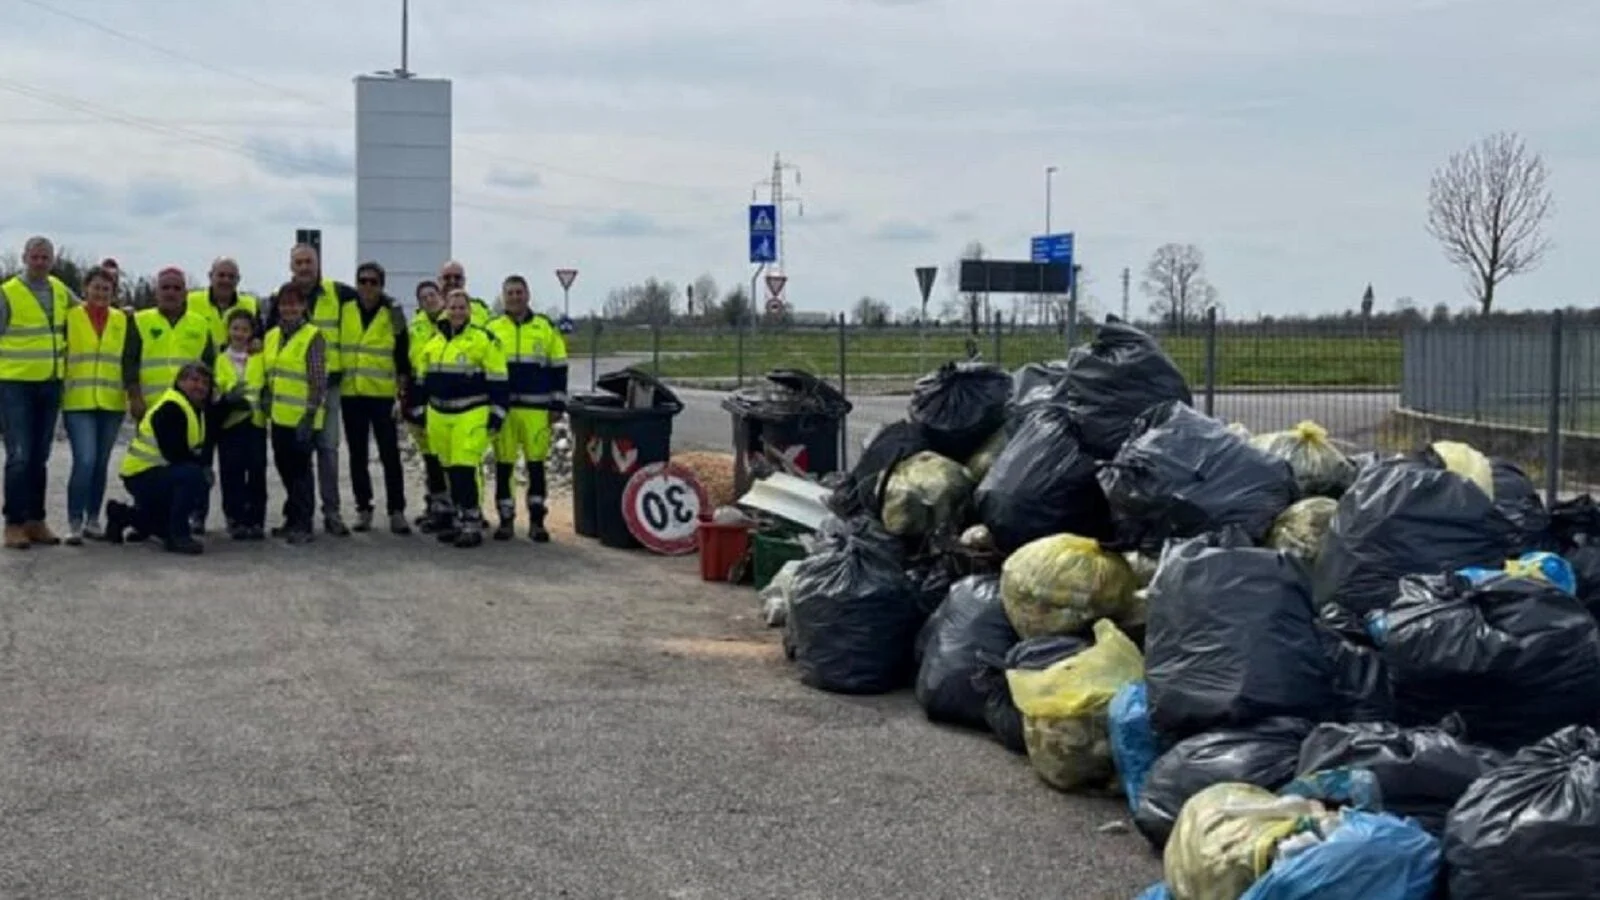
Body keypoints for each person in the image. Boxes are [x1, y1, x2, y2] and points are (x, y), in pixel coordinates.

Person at [265, 245, 357, 536]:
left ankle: (331, 513)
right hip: (287, 406)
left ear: (318, 264)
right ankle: (296, 516)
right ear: (291, 266)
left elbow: (371, 300)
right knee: (294, 461)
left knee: (327, 453)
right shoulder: (280, 301)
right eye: (298, 262)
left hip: (323, 390)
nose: (304, 267)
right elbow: (266, 336)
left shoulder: (339, 293)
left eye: (308, 262)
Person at [410, 288, 507, 547]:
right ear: (445, 310)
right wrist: (418, 409)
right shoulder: (434, 342)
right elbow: (421, 381)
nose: (456, 312)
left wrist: (497, 414)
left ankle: (472, 523)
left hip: (470, 413)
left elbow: (498, 379)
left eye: (461, 307)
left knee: (465, 469)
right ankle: (458, 520)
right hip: (439, 414)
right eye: (452, 307)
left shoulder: (483, 340)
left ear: (470, 311)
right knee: (450, 470)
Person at [104, 363, 234, 555]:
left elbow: (213, 423)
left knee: (160, 526)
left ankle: (121, 515)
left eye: (205, 383)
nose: (200, 386)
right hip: (143, 474)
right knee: (193, 476)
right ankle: (179, 536)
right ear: (180, 381)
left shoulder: (193, 406)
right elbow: (175, 454)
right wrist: (203, 469)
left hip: (151, 472)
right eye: (194, 380)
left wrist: (228, 402)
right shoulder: (171, 407)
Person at [123, 266, 216, 532]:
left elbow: (209, 365)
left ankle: (187, 519)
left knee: (188, 463)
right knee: (152, 465)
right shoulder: (140, 321)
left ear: (185, 293)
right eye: (165, 287)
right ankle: (147, 520)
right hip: (151, 408)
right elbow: (129, 360)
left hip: (188, 410)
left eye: (177, 288)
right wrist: (134, 395)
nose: (171, 293)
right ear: (156, 291)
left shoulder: (200, 324)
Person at [0, 235, 73, 548]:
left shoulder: (60, 290)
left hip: (50, 382)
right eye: (36, 257)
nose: (41, 262)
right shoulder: (7, 294)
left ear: (52, 261)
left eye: (46, 257)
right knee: (19, 455)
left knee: (40, 456)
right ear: (25, 258)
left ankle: (35, 519)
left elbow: (87, 313)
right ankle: (13, 523)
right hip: (15, 384)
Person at [486, 274, 568, 542]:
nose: (515, 297)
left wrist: (557, 403)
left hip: (536, 410)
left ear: (528, 295)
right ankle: (506, 520)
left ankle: (537, 521)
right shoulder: (492, 328)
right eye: (510, 293)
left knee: (535, 466)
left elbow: (559, 367)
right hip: (505, 410)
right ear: (503, 296)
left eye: (519, 292)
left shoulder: (545, 328)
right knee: (504, 466)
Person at [339, 261, 411, 534]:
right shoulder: (345, 309)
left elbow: (402, 351)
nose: (367, 287)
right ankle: (363, 508)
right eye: (363, 281)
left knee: (389, 455)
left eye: (373, 282)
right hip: (352, 393)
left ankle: (396, 511)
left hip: (381, 395)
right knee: (357, 455)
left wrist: (401, 393)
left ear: (382, 285)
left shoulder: (392, 313)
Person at [62, 267, 129, 544]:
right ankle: (75, 520)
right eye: (96, 287)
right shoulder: (70, 317)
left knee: (100, 464)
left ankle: (93, 518)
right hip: (78, 401)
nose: (101, 293)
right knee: (85, 461)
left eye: (106, 289)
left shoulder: (122, 320)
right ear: (85, 288)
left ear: (114, 293)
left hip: (111, 402)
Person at [262, 281, 329, 544]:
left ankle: (303, 523)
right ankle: (291, 518)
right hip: (279, 417)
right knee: (285, 469)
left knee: (301, 472)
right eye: (285, 303)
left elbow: (318, 379)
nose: (289, 308)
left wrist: (310, 414)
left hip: (303, 417)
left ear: (304, 306)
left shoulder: (313, 336)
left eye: (294, 303)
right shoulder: (271, 336)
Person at [213, 308, 268, 540]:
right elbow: (217, 387)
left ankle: (255, 519)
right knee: (231, 472)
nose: (239, 333)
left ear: (252, 333)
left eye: (245, 329)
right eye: (235, 328)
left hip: (255, 422)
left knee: (256, 471)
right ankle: (234, 518)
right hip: (231, 423)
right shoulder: (220, 359)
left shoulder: (259, 358)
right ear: (228, 331)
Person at [405, 280, 451, 531]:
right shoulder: (416, 326)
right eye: (423, 297)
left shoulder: (453, 321)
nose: (429, 300)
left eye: (432, 295)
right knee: (429, 456)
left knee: (447, 455)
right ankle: (435, 505)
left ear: (441, 296)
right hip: (419, 393)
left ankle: (453, 508)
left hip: (445, 393)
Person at [187, 256, 261, 348]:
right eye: (221, 275)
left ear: (238, 279)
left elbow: (259, 339)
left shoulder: (251, 305)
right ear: (210, 276)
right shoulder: (190, 301)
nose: (226, 280)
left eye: (231, 277)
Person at [438, 260, 494, 326]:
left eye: (457, 277)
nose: (452, 281)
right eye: (447, 277)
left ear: (464, 281)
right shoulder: (429, 309)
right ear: (439, 280)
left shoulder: (481, 308)